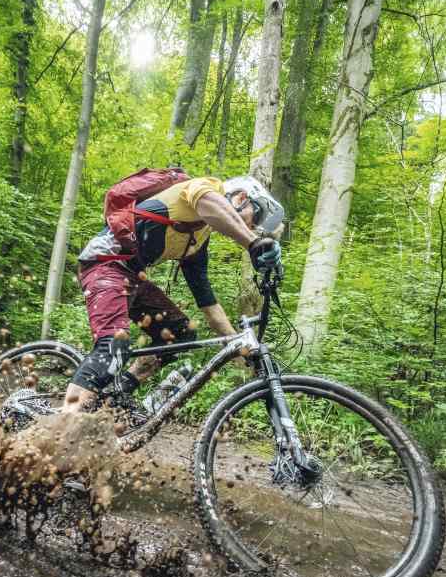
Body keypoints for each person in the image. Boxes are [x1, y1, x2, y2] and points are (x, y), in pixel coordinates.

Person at [61, 174, 285, 413]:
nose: (252, 227)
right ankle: (61, 429)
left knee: (181, 333)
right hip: (103, 265)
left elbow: (208, 305)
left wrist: (240, 348)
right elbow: (209, 204)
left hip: (132, 277)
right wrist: (253, 243)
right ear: (241, 197)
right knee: (114, 346)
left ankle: (115, 396)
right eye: (256, 216)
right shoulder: (206, 188)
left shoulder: (196, 242)